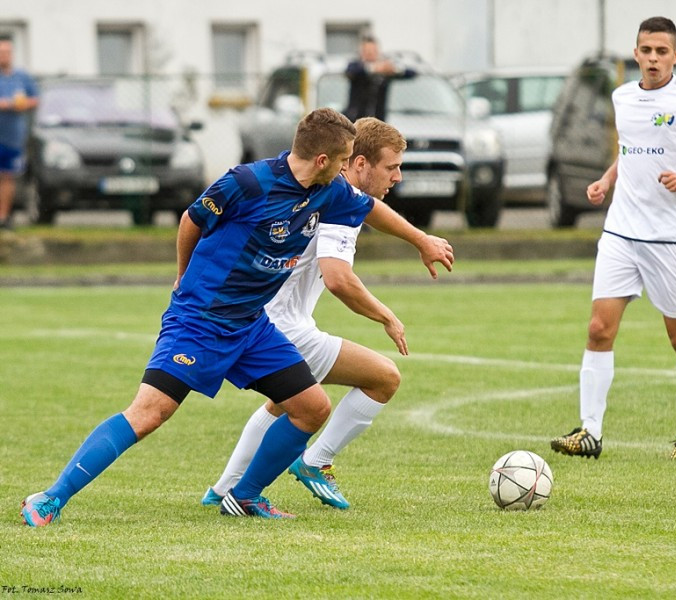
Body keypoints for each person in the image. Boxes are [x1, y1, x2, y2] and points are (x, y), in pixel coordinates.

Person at [20, 108, 453, 526]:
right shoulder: (247, 183)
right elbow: (191, 220)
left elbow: (370, 207)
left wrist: (420, 240)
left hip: (251, 326)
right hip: (201, 320)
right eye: (342, 161)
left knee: (311, 407)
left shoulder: (328, 189)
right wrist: (182, 276)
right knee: (148, 414)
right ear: (323, 160)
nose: (345, 172)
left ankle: (244, 496)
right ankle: (50, 498)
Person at [549, 16, 676, 460]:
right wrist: (606, 179)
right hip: (621, 230)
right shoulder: (622, 96)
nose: (653, 58)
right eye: (646, 50)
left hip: (672, 239)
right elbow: (631, 149)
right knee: (599, 328)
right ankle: (590, 431)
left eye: (662, 51)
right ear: (635, 54)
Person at [201, 117, 414, 510]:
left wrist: (420, 239)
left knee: (282, 404)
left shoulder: (326, 194)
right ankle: (316, 460)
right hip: (285, 327)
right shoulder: (339, 204)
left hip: (266, 320)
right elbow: (337, 278)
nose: (398, 177)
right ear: (359, 163)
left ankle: (221, 491)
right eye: (392, 167)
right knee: (384, 377)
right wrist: (386, 316)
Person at [0, 38, 39, 230]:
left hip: (13, 137)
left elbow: (35, 100)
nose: (3, 56)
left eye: (7, 52)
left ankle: (4, 217)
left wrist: (21, 104)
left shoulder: (22, 77)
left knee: (8, 177)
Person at [344, 35, 415, 122]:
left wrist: (394, 69)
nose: (370, 54)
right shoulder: (356, 66)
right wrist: (373, 68)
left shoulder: (385, 70)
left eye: (373, 51)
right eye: (367, 51)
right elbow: (351, 71)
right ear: (361, 52)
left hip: (379, 120)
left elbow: (412, 73)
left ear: (378, 52)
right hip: (355, 120)